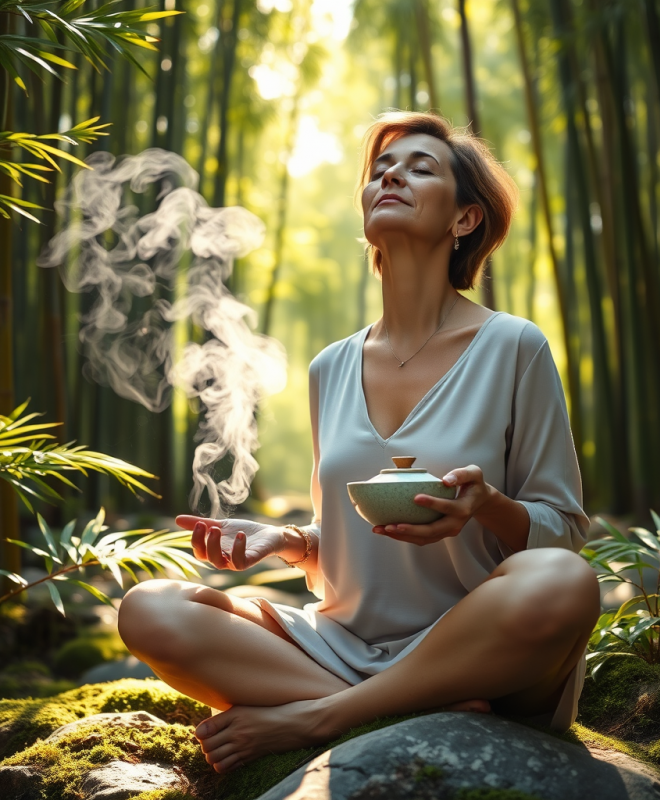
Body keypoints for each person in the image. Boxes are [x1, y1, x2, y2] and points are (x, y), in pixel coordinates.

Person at [117, 111, 601, 775]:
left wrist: (486, 505)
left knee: (564, 581)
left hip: (478, 646)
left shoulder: (515, 347)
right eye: (380, 171)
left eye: (419, 167)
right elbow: (349, 551)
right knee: (150, 609)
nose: (391, 175)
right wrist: (289, 543)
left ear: (465, 220)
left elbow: (564, 530)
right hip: (343, 643)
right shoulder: (331, 367)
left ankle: (321, 717)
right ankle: (410, 708)